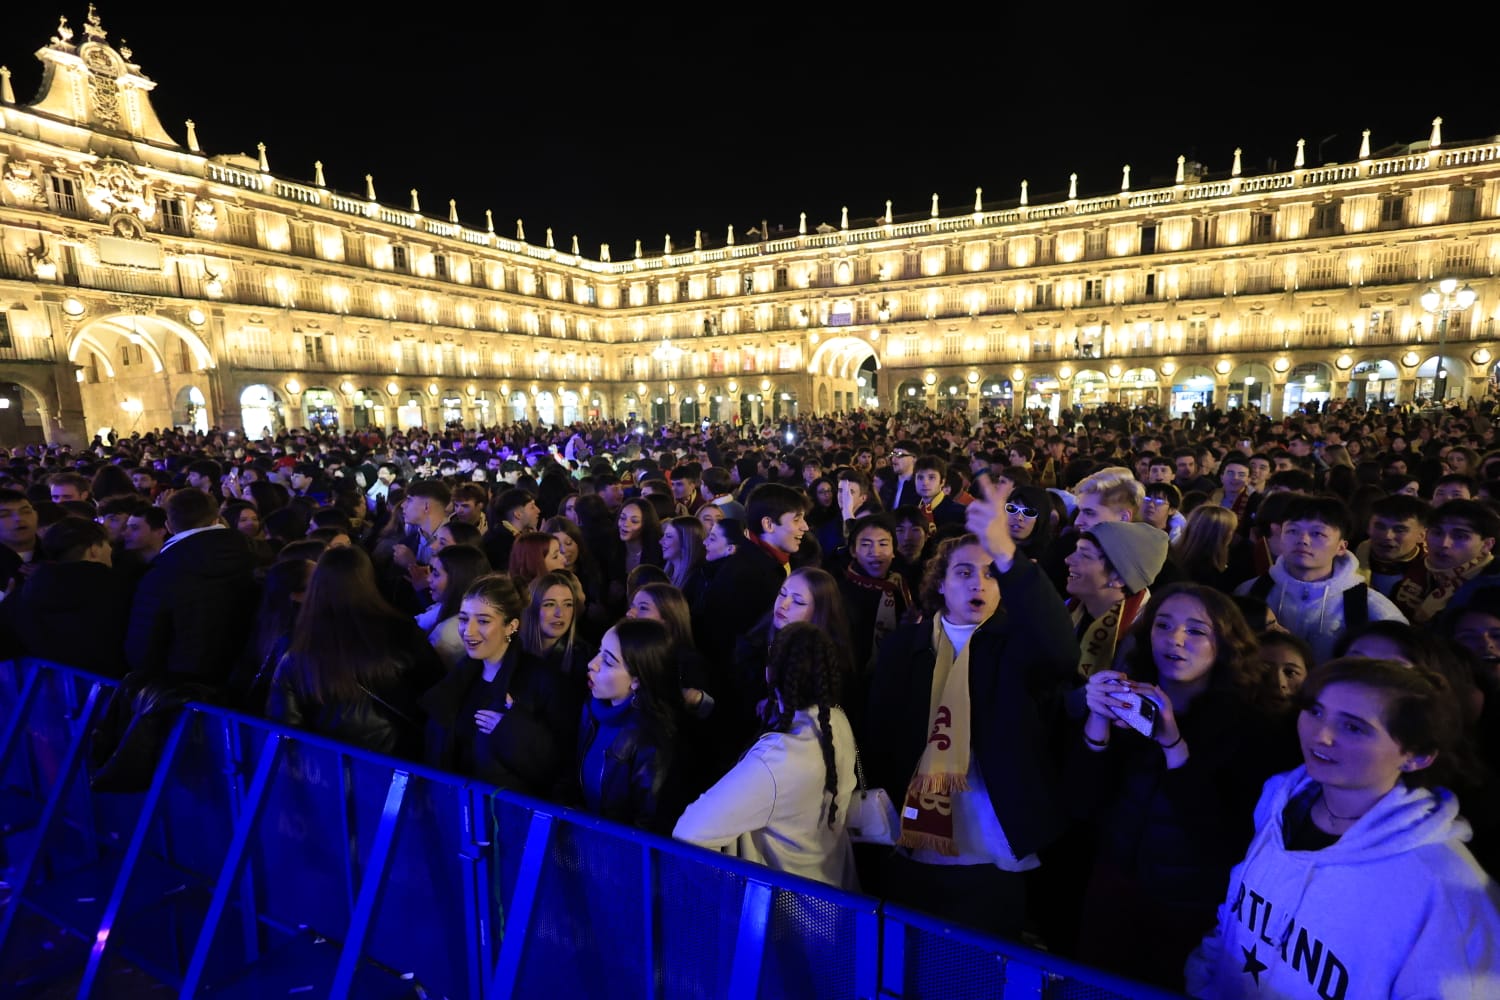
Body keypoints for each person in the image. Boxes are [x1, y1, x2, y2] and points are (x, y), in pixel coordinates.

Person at [1184, 659, 1500, 999]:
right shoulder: (1280, 799)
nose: (1321, 735)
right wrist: (1203, 982)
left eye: (1353, 727)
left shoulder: (1445, 889)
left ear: (1417, 756)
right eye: (1316, 711)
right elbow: (1235, 914)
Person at [864, 475, 1081, 939]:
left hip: (992, 844)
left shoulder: (1016, 646)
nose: (978, 583)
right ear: (940, 585)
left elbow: (1062, 652)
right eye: (963, 572)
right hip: (915, 841)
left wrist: (1010, 555)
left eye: (990, 574)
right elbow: (880, 731)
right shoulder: (907, 648)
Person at [1072, 584, 1286, 989]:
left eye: (1196, 631)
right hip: (1114, 887)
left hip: (1190, 907)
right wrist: (1097, 721)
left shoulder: (1254, 726)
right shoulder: (1132, 699)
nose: (1175, 640)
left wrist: (1172, 742)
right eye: (1163, 626)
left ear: (1226, 643)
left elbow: (1218, 836)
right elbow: (1082, 803)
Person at [674, 622, 858, 889]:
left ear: (770, 674)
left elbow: (688, 835)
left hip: (785, 916)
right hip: (837, 900)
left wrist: (735, 892)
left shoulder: (776, 761)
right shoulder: (837, 722)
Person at [266, 546, 444, 760]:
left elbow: (285, 723)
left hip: (328, 768)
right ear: (367, 579)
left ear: (317, 586)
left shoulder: (298, 646)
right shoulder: (403, 630)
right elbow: (435, 690)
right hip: (398, 760)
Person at [419, 574, 576, 797]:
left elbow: (561, 767)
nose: (468, 631)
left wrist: (511, 729)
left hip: (510, 819)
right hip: (455, 808)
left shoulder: (544, 681)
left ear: (511, 626)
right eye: (464, 619)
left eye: (483, 621)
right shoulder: (460, 677)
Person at [576, 617, 682, 832]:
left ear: (637, 679)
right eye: (599, 652)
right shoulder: (592, 709)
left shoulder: (651, 739)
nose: (592, 664)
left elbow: (647, 823)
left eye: (607, 661)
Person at [418, 544, 492, 670]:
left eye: (436, 574)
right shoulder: (448, 606)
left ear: (457, 580)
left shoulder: (447, 636)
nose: (428, 579)